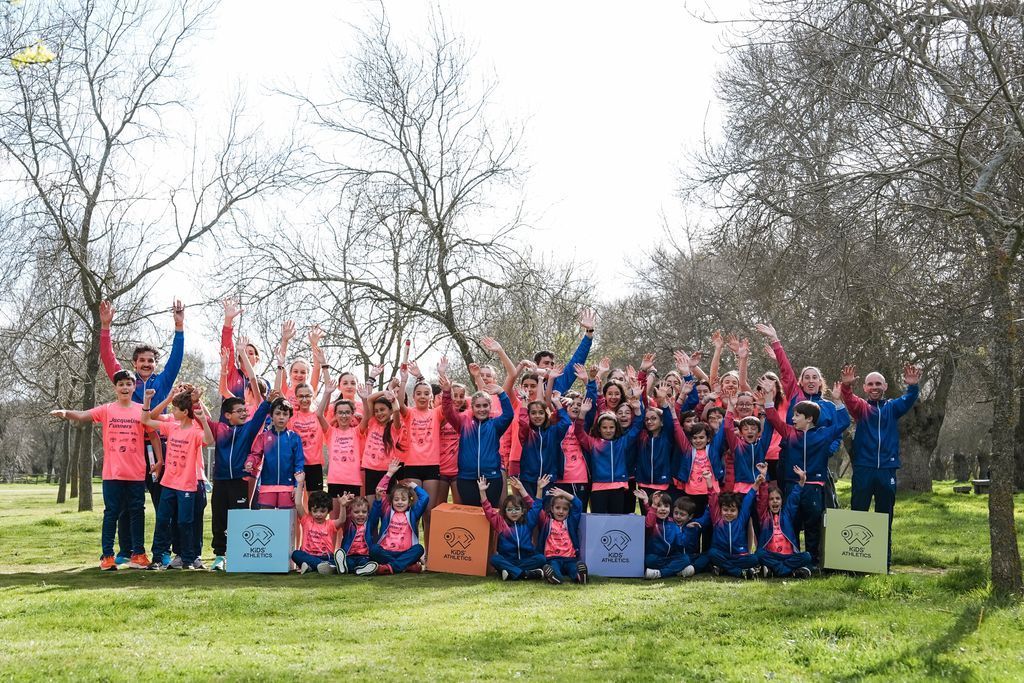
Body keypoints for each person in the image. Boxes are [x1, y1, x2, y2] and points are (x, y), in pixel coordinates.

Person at [98, 298, 184, 564]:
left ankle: (162, 552)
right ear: (134, 363)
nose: (146, 364)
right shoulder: (127, 381)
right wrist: (105, 327)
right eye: (142, 360)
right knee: (126, 505)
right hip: (131, 452)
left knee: (163, 502)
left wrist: (179, 327)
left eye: (150, 360)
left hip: (160, 449)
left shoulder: (164, 380)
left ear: (155, 364)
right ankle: (127, 552)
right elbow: (108, 358)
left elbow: (176, 358)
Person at [51, 370, 158, 571]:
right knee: (111, 513)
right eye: (121, 384)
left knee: (137, 513)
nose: (125, 388)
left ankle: (139, 554)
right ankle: (107, 556)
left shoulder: (141, 410)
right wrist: (66, 413)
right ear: (115, 388)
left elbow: (152, 435)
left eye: (128, 384)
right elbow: (83, 416)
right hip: (112, 473)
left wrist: (158, 461)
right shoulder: (107, 409)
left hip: (135, 473)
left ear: (134, 387)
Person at [839, 363, 922, 568]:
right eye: (870, 384)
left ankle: (883, 562)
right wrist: (846, 387)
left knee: (885, 516)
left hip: (887, 470)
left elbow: (909, 399)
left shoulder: (892, 408)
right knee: (859, 514)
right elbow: (848, 400)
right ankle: (856, 563)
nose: (874, 387)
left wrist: (913, 387)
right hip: (864, 469)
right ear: (865, 388)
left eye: (878, 383)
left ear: (885, 386)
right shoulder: (862, 408)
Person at [761, 378, 850, 566]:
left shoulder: (823, 434)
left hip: (813, 487)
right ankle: (792, 557)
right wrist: (769, 396)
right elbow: (772, 417)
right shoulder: (789, 433)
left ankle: (812, 561)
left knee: (812, 525)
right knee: (792, 522)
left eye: (796, 416)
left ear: (809, 419)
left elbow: (843, 422)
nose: (792, 419)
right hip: (793, 485)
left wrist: (837, 400)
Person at [207, 347, 275, 571]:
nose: (245, 412)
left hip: (241, 478)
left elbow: (261, 403)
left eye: (246, 409)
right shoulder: (219, 429)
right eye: (240, 410)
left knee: (239, 517)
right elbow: (203, 417)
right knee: (218, 517)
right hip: (220, 480)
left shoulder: (248, 428)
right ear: (227, 414)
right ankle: (219, 555)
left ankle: (238, 554)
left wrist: (268, 401)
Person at [141, 387, 214, 570]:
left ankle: (188, 559)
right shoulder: (171, 426)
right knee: (163, 520)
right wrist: (149, 400)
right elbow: (146, 420)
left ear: (184, 412)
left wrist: (204, 420)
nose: (172, 412)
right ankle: (157, 558)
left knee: (185, 522)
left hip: (187, 486)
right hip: (168, 484)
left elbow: (210, 440)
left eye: (175, 409)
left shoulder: (195, 431)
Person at [438, 361, 514, 507]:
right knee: (471, 519)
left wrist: (501, 393)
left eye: (485, 405)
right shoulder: (463, 422)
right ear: (472, 407)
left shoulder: (495, 425)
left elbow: (509, 414)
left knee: (491, 517)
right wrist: (447, 392)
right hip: (467, 478)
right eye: (478, 406)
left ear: (490, 407)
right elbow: (448, 412)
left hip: (492, 477)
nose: (481, 409)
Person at [575, 381, 645, 514]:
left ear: (616, 428)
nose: (608, 430)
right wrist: (582, 413)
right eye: (605, 427)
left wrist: (637, 409)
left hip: (619, 487)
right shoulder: (593, 442)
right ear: (599, 429)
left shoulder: (622, 442)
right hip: (598, 488)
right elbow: (579, 432)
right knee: (599, 522)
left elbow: (637, 427)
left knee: (616, 521)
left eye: (611, 427)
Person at [358, 459, 430, 576]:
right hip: (386, 552)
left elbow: (425, 497)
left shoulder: (413, 513)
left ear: (409, 502)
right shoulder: (387, 511)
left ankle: (389, 567)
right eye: (396, 500)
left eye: (403, 500)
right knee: (374, 549)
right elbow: (380, 490)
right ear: (391, 501)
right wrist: (389, 474)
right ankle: (406, 566)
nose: (400, 502)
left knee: (419, 549)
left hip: (405, 552)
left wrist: (413, 485)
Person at [480, 476, 546, 580]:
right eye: (510, 509)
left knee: (541, 559)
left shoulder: (528, 521)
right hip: (508, 560)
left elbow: (537, 506)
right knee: (494, 559)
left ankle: (511, 572)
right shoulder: (501, 523)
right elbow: (488, 510)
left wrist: (539, 489)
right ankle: (525, 574)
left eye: (517, 509)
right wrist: (482, 492)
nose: (514, 512)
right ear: (505, 512)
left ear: (522, 511)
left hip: (526, 559)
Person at [755, 463, 814, 578]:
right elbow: (762, 499)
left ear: (782, 501)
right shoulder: (764, 516)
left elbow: (794, 499)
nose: (775, 501)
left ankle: (776, 570)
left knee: (807, 556)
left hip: (788, 556)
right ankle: (790, 571)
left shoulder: (787, 514)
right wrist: (763, 477)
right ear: (768, 502)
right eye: (771, 499)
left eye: (777, 498)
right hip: (771, 555)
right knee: (758, 554)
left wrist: (801, 481)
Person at [244, 398, 305, 509]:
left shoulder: (294, 438)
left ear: (289, 416)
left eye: (285, 414)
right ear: (271, 416)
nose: (281, 417)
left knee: (286, 522)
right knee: (267, 522)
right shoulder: (263, 437)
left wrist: (297, 486)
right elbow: (256, 455)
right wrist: (250, 462)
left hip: (288, 487)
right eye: (277, 413)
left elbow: (299, 463)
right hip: (267, 486)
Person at [703, 471, 763, 579]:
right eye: (725, 510)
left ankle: (724, 568)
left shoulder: (741, 519)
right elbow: (712, 500)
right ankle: (738, 572)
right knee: (711, 553)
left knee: (754, 559)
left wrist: (757, 484)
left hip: (739, 556)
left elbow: (748, 501)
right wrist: (708, 480)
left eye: (732, 510)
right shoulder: (717, 519)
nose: (729, 513)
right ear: (720, 510)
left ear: (738, 511)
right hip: (722, 555)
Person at [533, 476, 587, 585]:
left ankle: (580, 576)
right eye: (558, 508)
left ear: (568, 511)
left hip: (569, 558)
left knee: (573, 568)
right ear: (552, 509)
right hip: (552, 558)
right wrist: (539, 489)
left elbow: (578, 505)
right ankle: (555, 577)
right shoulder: (546, 520)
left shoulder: (571, 521)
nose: (561, 511)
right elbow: (537, 506)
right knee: (553, 568)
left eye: (565, 509)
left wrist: (563, 493)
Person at [634, 489, 696, 580]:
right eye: (659, 506)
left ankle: (660, 573)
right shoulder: (652, 522)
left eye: (666, 506)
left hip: (669, 558)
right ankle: (677, 571)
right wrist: (650, 504)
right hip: (654, 558)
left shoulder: (673, 522)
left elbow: (680, 543)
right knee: (649, 560)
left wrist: (688, 531)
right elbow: (650, 520)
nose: (663, 508)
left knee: (685, 559)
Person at [318, 376, 363, 499]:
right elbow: (319, 414)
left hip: (353, 481)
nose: (344, 416)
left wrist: (364, 398)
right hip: (334, 481)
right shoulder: (331, 432)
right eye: (341, 413)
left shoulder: (357, 432)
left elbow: (368, 417)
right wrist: (327, 393)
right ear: (335, 414)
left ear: (352, 414)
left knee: (353, 517)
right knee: (336, 518)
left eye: (347, 412)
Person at [357, 382, 404, 496]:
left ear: (390, 411)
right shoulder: (372, 422)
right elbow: (369, 400)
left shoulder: (395, 426)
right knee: (372, 505)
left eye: (382, 410)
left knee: (385, 507)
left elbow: (397, 410)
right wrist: (384, 392)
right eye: (376, 411)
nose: (379, 413)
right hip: (371, 469)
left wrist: (392, 399)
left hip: (388, 471)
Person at [292, 487, 349, 575]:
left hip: (326, 557)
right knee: (295, 554)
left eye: (322, 511)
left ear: (328, 511)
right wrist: (300, 483)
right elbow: (298, 504)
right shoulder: (306, 520)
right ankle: (324, 566)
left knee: (337, 560)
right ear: (310, 510)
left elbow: (342, 520)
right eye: (315, 511)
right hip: (308, 556)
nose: (318, 514)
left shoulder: (330, 524)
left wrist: (343, 505)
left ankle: (311, 567)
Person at [335, 495, 373, 574]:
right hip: (349, 555)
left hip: (364, 555)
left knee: (364, 563)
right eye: (356, 512)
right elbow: (343, 517)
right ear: (350, 513)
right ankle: (345, 567)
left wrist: (378, 500)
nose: (361, 514)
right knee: (350, 563)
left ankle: (362, 569)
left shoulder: (369, 523)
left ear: (368, 513)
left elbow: (376, 511)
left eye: (364, 512)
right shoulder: (348, 523)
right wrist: (343, 505)